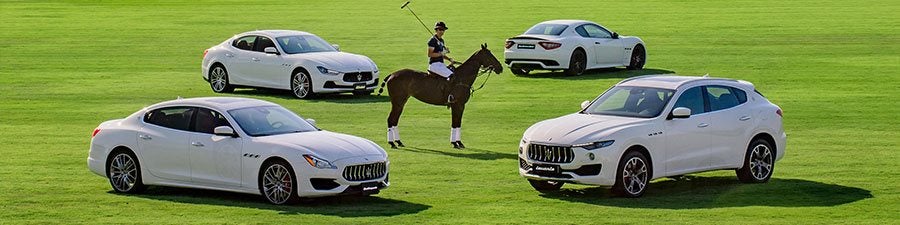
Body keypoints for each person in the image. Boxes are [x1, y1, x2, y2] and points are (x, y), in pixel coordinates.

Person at [427, 21, 460, 104]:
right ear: (436, 30)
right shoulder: (432, 41)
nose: (442, 31)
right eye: (440, 29)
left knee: (454, 72)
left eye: (443, 30)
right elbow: (430, 54)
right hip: (434, 65)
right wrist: (442, 53)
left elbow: (442, 54)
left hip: (441, 64)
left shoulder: (441, 41)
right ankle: (449, 97)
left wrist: (449, 59)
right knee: (452, 76)